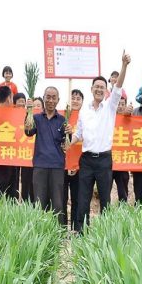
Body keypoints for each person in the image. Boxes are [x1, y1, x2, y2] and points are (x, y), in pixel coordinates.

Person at [69, 50, 131, 231]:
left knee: (105, 198)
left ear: (105, 91)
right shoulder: (84, 111)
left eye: (102, 87)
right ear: (91, 89)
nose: (98, 89)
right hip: (87, 160)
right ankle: (81, 231)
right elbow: (78, 134)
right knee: (83, 198)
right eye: (96, 86)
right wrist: (69, 142)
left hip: (104, 160)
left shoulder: (110, 106)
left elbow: (118, 87)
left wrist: (124, 66)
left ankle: (105, 233)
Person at [24, 87, 71, 224]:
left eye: (53, 97)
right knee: (39, 202)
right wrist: (28, 112)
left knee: (58, 203)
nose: (50, 100)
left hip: (57, 166)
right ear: (43, 98)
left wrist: (69, 133)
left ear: (58, 100)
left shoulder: (62, 120)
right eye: (48, 97)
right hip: (40, 165)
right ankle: (40, 232)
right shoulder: (37, 118)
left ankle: (59, 232)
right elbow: (28, 132)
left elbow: (66, 143)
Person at [0, 85, 18, 200]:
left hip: (6, 158)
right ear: (8, 98)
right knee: (1, 193)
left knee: (7, 194)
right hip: (3, 160)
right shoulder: (3, 115)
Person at [63, 89, 84, 229]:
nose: (75, 101)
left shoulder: (85, 117)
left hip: (80, 165)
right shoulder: (63, 116)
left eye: (78, 98)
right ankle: (62, 228)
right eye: (73, 98)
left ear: (82, 102)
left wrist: (74, 134)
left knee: (77, 199)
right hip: (63, 165)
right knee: (62, 198)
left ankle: (76, 228)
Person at [112, 90, 130, 202]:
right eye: (118, 104)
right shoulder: (108, 118)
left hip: (123, 162)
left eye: (123, 104)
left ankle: (122, 210)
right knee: (105, 191)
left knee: (123, 192)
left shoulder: (130, 120)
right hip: (109, 161)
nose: (120, 106)